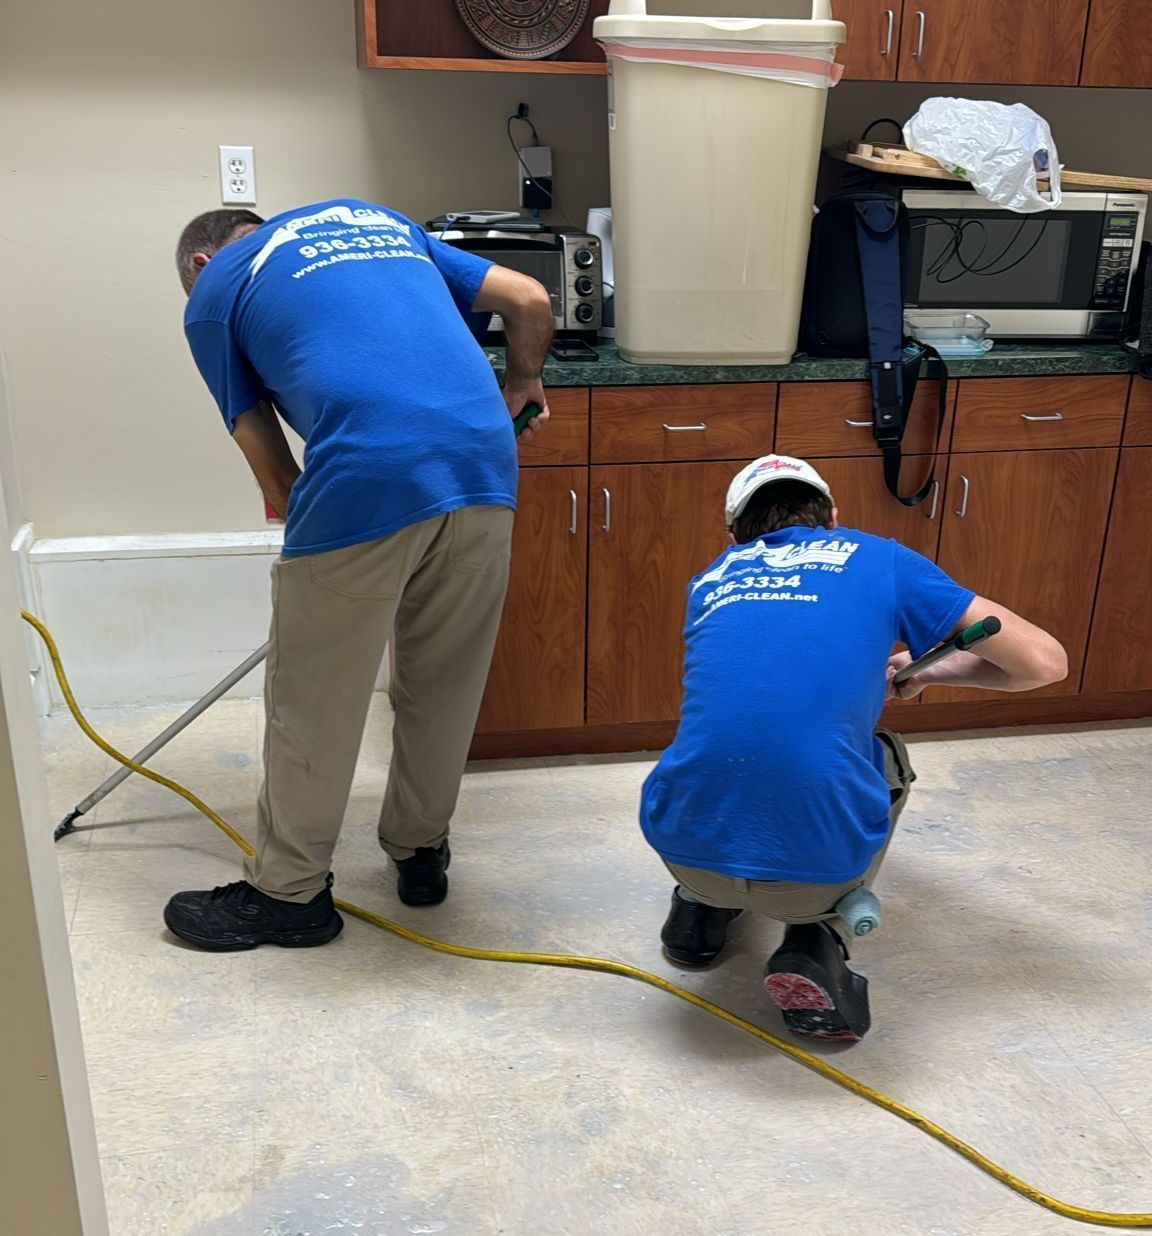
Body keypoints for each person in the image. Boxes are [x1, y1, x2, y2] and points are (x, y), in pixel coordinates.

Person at [163, 199, 554, 951]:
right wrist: (523, 382)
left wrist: (322, 558)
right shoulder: (381, 224)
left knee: (314, 699)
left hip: (366, 469)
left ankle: (289, 895)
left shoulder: (217, 290)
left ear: (200, 265)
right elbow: (530, 299)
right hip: (483, 459)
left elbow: (273, 470)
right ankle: (419, 851)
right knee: (443, 682)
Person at [642, 454, 1067, 1043]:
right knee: (882, 755)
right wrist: (934, 674)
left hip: (681, 845)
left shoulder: (711, 579)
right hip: (810, 875)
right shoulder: (880, 559)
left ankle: (697, 915)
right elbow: (1044, 664)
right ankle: (819, 939)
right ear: (833, 519)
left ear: (733, 534)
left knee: (727, 742)